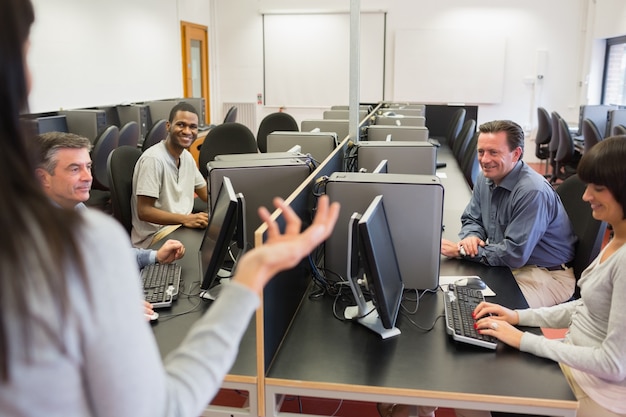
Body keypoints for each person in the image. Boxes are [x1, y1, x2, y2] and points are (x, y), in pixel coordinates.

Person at [0, 4, 340, 417]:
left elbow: (200, 190)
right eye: (26, 50)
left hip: (151, 250)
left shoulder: (67, 238)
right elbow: (165, 406)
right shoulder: (80, 242)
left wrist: (168, 242)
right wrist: (250, 277)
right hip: (156, 236)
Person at [471, 136, 626, 417]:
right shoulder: (616, 240)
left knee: (477, 387)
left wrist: (524, 341)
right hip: (575, 364)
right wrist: (517, 317)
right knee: (475, 379)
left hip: (595, 393)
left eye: (598, 189)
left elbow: (613, 365)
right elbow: (586, 306)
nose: (586, 196)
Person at [441, 120, 577, 308]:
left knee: (483, 311)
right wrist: (471, 237)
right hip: (512, 267)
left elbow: (514, 254)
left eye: (494, 152)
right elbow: (473, 218)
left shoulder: (532, 191)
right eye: (481, 152)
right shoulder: (485, 177)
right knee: (454, 296)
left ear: (516, 154)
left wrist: (462, 251)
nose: (485, 160)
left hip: (546, 275)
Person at [34, 131, 185, 268]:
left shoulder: (76, 207)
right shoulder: (33, 231)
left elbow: (107, 254)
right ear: (43, 178)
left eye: (88, 167)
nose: (88, 177)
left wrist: (155, 256)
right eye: (75, 169)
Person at [131, 101, 209, 248]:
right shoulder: (153, 160)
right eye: (181, 124)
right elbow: (144, 211)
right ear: (168, 126)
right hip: (155, 238)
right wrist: (186, 219)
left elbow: (206, 194)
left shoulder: (186, 157)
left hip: (179, 227)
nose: (187, 131)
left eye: (192, 127)